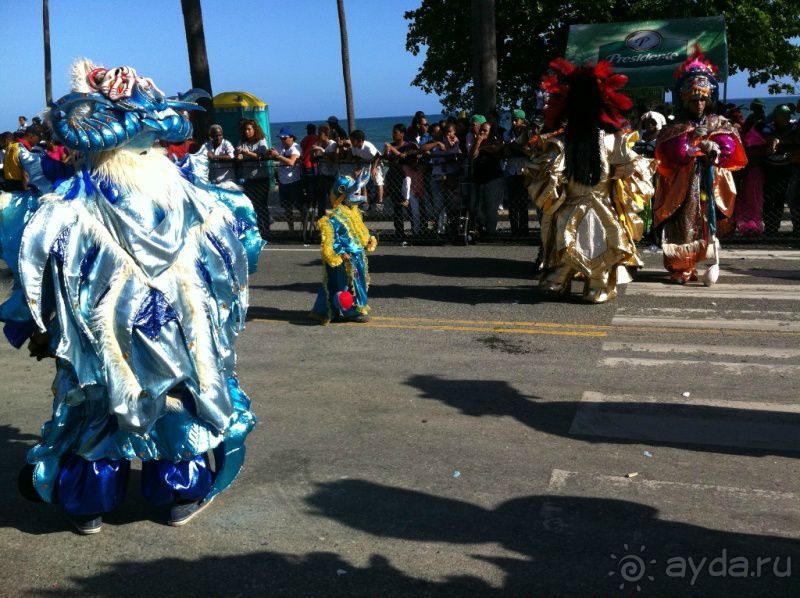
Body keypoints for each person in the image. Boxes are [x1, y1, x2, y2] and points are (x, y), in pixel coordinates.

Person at [0, 60, 264, 533]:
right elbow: (242, 247)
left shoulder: (70, 203)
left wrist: (32, 323)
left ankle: (89, 504)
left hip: (106, 338)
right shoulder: (196, 198)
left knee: (101, 407)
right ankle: (177, 495)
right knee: (177, 401)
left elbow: (33, 256)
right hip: (178, 333)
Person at [527, 57, 654, 303]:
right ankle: (565, 276)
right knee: (567, 247)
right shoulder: (562, 143)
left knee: (598, 256)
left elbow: (632, 169)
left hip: (600, 207)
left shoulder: (611, 142)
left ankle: (594, 281)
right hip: (573, 208)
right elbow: (547, 177)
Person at [653, 48, 747, 285]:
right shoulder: (675, 128)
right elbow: (673, 153)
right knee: (682, 226)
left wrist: (713, 150)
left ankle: (700, 261)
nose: (699, 104)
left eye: (703, 98)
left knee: (706, 226)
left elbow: (728, 148)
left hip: (708, 181)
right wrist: (693, 142)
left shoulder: (718, 122)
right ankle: (681, 268)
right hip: (683, 187)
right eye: (694, 99)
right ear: (684, 99)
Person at [310, 172, 377, 324]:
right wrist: (340, 252)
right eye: (353, 192)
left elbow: (358, 230)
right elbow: (331, 237)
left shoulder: (353, 213)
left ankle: (355, 308)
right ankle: (349, 311)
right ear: (343, 196)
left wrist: (366, 240)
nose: (357, 195)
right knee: (344, 285)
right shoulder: (335, 216)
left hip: (357, 255)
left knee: (358, 284)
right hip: (345, 258)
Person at [469, 121, 505, 238]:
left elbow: (496, 150)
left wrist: (483, 147)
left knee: (490, 207)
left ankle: (491, 232)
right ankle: (481, 229)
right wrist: (478, 141)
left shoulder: (496, 141)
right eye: (481, 130)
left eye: (485, 131)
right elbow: (472, 155)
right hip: (479, 178)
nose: (483, 133)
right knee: (476, 207)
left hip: (492, 179)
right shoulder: (477, 141)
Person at [384, 123, 419, 237]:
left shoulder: (408, 146)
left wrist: (392, 149)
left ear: (402, 134)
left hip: (405, 177)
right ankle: (399, 231)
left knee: (409, 205)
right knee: (397, 205)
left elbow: (404, 157)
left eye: (395, 132)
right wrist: (386, 150)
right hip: (393, 176)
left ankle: (415, 230)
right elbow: (385, 158)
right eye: (393, 132)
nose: (393, 135)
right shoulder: (391, 145)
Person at [503, 109, 533, 236]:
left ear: (522, 121)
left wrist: (514, 146)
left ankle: (524, 229)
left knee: (523, 202)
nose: (514, 123)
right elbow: (506, 152)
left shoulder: (529, 134)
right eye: (512, 120)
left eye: (516, 120)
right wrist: (519, 148)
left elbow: (529, 151)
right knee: (512, 202)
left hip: (524, 171)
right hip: (511, 170)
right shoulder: (507, 133)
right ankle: (514, 229)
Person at [267, 127, 303, 232]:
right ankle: (291, 230)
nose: (282, 140)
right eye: (281, 138)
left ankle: (303, 228)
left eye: (285, 138)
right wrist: (269, 152)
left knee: (299, 207)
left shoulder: (296, 147)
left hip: (294, 181)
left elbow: (291, 162)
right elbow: (271, 154)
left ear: (291, 138)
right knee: (287, 208)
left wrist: (278, 156)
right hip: (283, 182)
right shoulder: (281, 147)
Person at [428, 122, 461, 236]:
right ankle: (440, 230)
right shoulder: (438, 144)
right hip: (437, 177)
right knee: (438, 205)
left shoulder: (456, 143)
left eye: (450, 132)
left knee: (451, 205)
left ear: (454, 132)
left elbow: (454, 154)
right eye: (446, 133)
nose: (448, 135)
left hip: (450, 177)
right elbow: (424, 149)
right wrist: (438, 143)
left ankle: (451, 229)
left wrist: (450, 146)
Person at [348, 129, 384, 206]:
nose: (351, 142)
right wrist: (358, 168)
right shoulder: (354, 147)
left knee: (378, 181)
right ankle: (365, 201)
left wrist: (373, 168)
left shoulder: (368, 146)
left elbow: (378, 155)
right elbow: (357, 157)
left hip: (376, 162)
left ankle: (380, 201)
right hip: (366, 163)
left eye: (352, 140)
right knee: (362, 181)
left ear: (360, 140)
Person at [311, 124, 339, 218]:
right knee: (321, 201)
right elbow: (313, 160)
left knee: (333, 200)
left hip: (332, 176)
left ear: (326, 135)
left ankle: (335, 219)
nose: (318, 135)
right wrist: (312, 153)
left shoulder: (333, 144)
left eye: (320, 134)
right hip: (321, 176)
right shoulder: (319, 144)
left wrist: (322, 151)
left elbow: (333, 160)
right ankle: (321, 220)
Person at [3, 126, 42, 191]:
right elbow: (25, 174)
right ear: (31, 136)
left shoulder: (11, 146)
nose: (35, 144)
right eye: (36, 141)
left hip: (9, 185)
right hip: (20, 187)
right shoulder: (24, 149)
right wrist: (26, 190)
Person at [299, 124, 319, 213]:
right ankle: (314, 203)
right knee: (314, 185)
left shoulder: (305, 139)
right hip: (315, 165)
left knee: (308, 186)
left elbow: (301, 149)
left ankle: (310, 203)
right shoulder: (317, 138)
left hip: (306, 164)